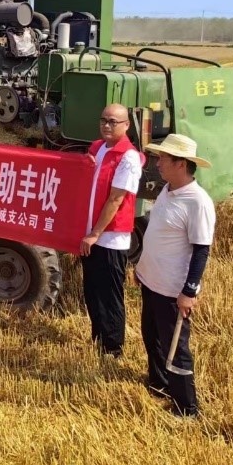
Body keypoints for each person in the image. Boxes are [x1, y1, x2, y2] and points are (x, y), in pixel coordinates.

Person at [135, 133, 215, 417]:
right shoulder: (167, 191)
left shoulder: (198, 202)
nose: (158, 163)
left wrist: (189, 292)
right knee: (151, 337)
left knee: (176, 348)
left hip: (172, 290)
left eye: (163, 159)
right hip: (150, 281)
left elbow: (201, 251)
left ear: (181, 164)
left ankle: (187, 408)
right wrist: (141, 268)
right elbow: (157, 234)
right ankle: (159, 384)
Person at [78, 104, 143, 358]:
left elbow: (116, 199)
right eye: (103, 120)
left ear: (126, 125)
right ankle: (98, 340)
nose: (107, 125)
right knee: (92, 291)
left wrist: (95, 233)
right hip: (92, 234)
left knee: (109, 295)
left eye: (113, 122)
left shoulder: (128, 157)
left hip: (110, 237)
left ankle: (113, 348)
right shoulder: (98, 148)